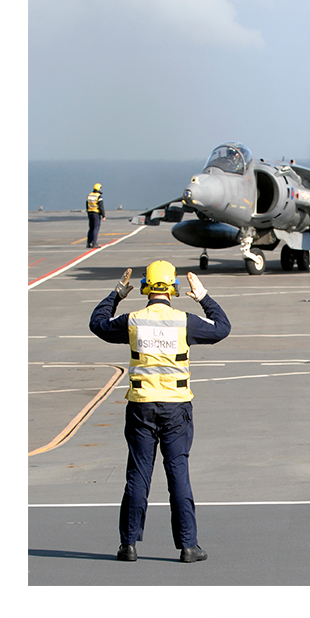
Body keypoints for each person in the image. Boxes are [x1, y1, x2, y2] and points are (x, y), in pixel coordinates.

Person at [89, 260, 231, 563]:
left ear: (145, 288)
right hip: (176, 408)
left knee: (138, 475)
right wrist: (204, 297)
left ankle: (128, 544)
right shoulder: (184, 321)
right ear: (174, 288)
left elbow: (98, 323)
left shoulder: (132, 320)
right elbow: (222, 328)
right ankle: (188, 546)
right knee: (178, 473)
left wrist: (116, 294)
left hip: (141, 406)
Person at [86, 182, 105, 248]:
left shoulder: (90, 195)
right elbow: (101, 206)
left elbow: (87, 204)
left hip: (90, 212)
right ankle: (94, 243)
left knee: (91, 228)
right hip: (96, 213)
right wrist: (103, 215)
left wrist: (88, 211)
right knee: (96, 228)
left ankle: (88, 243)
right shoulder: (99, 196)